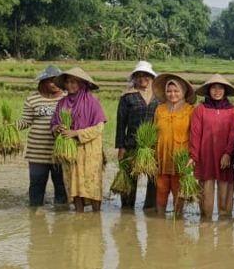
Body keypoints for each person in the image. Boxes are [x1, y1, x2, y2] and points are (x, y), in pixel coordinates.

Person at [51, 67, 107, 213]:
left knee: (92, 182)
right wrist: (58, 128)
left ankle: (96, 216)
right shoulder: (62, 103)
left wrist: (76, 133)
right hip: (70, 150)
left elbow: (99, 127)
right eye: (68, 82)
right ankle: (79, 215)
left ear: (82, 83)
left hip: (90, 150)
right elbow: (54, 124)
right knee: (73, 182)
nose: (70, 85)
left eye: (74, 82)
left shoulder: (92, 101)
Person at [190, 74, 234, 220]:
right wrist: (193, 156)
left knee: (225, 189)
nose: (217, 91)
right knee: (205, 189)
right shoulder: (200, 109)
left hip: (225, 156)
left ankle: (224, 222)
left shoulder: (231, 110)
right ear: (208, 91)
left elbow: (233, 134)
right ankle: (205, 223)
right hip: (206, 155)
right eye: (213, 88)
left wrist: (227, 154)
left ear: (225, 91)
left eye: (220, 88)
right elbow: (195, 134)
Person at [16, 64, 67, 207]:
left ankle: (61, 217)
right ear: (43, 82)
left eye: (58, 81)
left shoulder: (67, 99)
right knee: (36, 188)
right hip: (37, 152)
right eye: (52, 81)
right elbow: (26, 121)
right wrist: (12, 126)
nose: (55, 84)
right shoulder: (33, 99)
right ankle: (35, 218)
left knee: (61, 187)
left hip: (60, 152)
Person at [115, 61, 159, 211]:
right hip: (131, 144)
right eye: (138, 76)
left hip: (153, 146)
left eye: (146, 75)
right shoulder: (127, 97)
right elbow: (121, 124)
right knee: (128, 179)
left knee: (154, 180)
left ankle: (150, 209)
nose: (142, 79)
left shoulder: (159, 97)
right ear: (134, 78)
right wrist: (121, 147)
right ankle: (127, 212)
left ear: (152, 77)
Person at [152, 73, 196, 216]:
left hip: (181, 156)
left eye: (176, 91)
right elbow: (153, 131)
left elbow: (194, 134)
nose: (172, 94)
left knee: (179, 189)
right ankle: (160, 221)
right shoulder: (160, 109)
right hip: (162, 155)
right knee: (161, 188)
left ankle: (178, 218)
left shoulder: (190, 110)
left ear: (183, 92)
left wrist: (192, 156)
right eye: (169, 91)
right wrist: (151, 152)